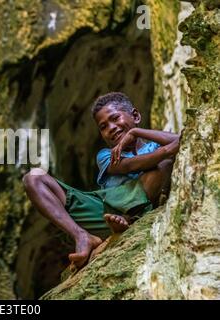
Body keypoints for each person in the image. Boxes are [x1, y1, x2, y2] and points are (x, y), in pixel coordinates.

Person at [23, 92, 180, 268]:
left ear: (135, 116)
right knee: (33, 178)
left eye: (115, 118)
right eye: (103, 126)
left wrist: (136, 132)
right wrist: (167, 151)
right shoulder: (105, 155)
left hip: (140, 203)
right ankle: (82, 236)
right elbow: (128, 166)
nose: (111, 128)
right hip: (104, 210)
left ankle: (129, 218)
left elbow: (186, 137)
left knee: (163, 165)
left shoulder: (155, 146)